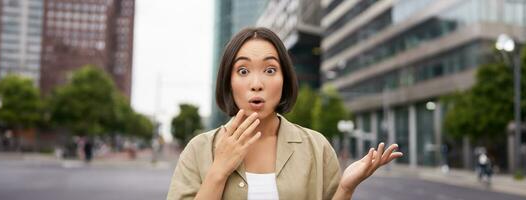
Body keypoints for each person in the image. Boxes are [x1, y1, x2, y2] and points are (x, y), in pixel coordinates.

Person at [167, 27, 403, 200]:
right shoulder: (199, 149)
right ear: (228, 82)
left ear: (284, 80)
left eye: (270, 70)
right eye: (243, 70)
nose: (256, 83)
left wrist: (346, 188)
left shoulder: (316, 147)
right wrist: (218, 170)